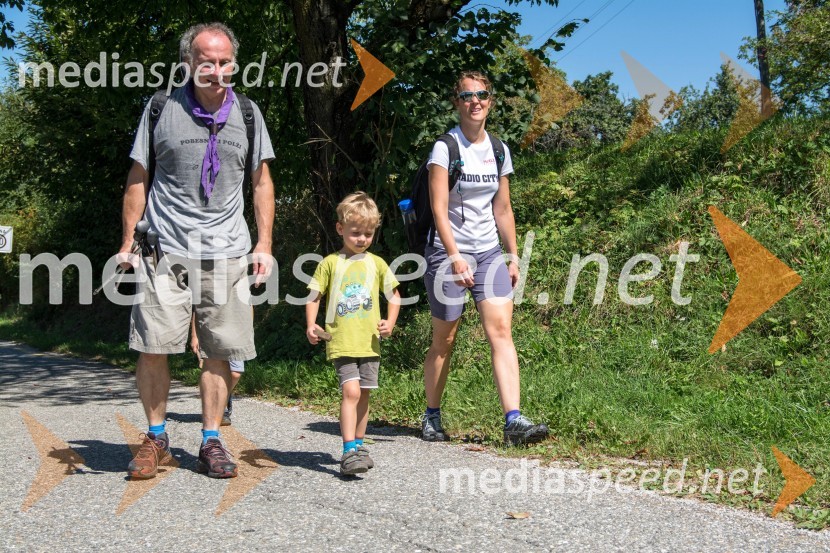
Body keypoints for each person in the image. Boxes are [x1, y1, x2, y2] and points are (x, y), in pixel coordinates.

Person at [119, 22, 275, 479]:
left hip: (227, 250)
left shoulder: (247, 113)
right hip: (163, 248)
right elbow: (138, 177)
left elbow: (261, 181)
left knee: (219, 351)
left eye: (225, 62)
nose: (216, 70)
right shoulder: (160, 109)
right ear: (188, 63)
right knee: (153, 346)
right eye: (206, 62)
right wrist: (128, 242)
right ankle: (156, 436)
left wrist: (264, 244)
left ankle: (211, 439)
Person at [421, 71, 549, 446]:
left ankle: (514, 421)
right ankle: (431, 415)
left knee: (501, 331)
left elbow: (504, 207)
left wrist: (512, 255)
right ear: (456, 102)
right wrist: (455, 256)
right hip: (447, 251)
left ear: (490, 100)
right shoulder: (445, 148)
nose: (475, 101)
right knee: (445, 339)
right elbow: (438, 209)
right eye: (466, 96)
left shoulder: (499, 149)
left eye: (482, 94)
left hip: (489, 251)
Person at [305, 192, 401, 475]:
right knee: (351, 391)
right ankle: (348, 450)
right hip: (342, 341)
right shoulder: (330, 263)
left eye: (368, 234)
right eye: (356, 232)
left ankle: (358, 445)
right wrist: (312, 324)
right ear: (340, 229)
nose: (362, 239)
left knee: (365, 395)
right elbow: (314, 296)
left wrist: (390, 322)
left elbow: (394, 296)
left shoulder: (377, 264)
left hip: (370, 343)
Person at [190, 314, 241, 426]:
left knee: (236, 373)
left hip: (235, 335)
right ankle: (219, 411)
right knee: (214, 371)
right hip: (211, 334)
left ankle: (221, 401)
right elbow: (198, 310)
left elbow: (248, 306)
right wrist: (194, 336)